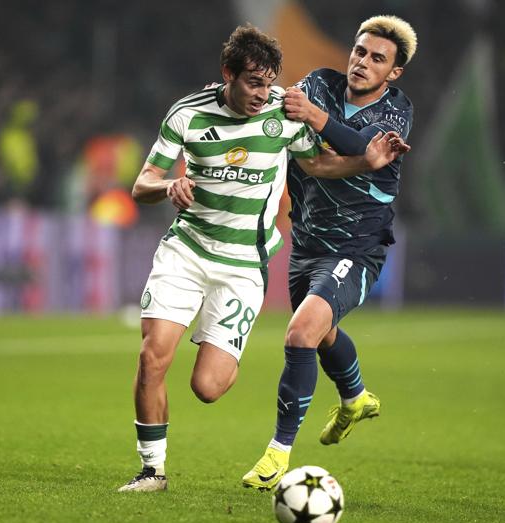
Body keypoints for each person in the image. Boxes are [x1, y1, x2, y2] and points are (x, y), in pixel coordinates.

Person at [118, 24, 405, 492]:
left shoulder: (283, 113)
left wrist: (364, 162)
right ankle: (153, 471)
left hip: (242, 266)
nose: (261, 93)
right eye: (253, 82)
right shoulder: (187, 114)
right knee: (152, 358)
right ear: (227, 73)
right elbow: (141, 184)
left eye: (269, 82)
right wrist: (168, 186)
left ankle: (231, 345)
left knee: (208, 387)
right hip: (185, 252)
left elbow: (317, 163)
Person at [242, 15, 417, 490]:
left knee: (301, 333)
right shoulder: (320, 82)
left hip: (357, 246)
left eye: (377, 58)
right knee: (322, 334)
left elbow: (363, 145)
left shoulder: (396, 111)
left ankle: (278, 453)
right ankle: (355, 397)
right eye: (360, 51)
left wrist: (316, 120)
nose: (363, 62)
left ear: (394, 72)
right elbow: (284, 117)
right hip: (306, 241)